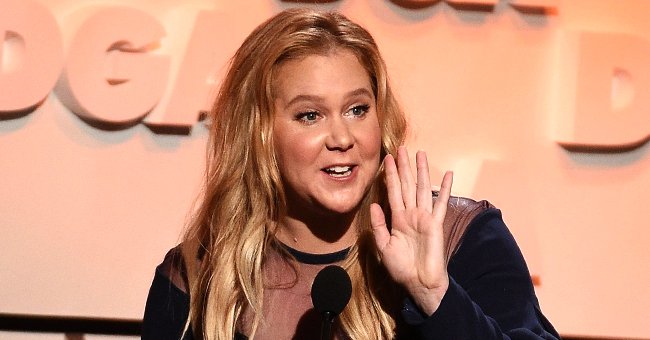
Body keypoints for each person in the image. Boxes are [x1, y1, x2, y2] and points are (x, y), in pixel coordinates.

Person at [142, 7, 560, 340]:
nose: (342, 137)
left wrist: (435, 296)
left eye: (358, 109)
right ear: (259, 134)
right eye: (310, 115)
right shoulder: (198, 275)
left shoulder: (461, 238)